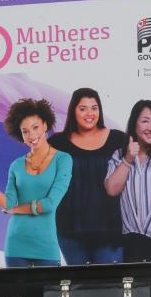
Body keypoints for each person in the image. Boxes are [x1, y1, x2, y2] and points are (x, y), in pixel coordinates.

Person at [0, 98, 72, 267]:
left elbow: (49, 204)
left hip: (46, 247)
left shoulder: (63, 160)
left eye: (35, 127)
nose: (31, 135)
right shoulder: (17, 165)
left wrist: (16, 209)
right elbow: (8, 202)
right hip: (15, 246)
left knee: (48, 294)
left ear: (45, 125)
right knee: (17, 295)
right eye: (25, 131)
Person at [49, 88, 126, 265]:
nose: (89, 113)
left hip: (110, 232)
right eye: (83, 108)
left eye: (94, 107)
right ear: (73, 111)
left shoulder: (118, 139)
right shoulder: (57, 143)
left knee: (111, 286)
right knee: (80, 288)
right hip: (70, 231)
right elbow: (40, 177)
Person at [105, 100, 151, 262]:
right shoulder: (120, 155)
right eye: (145, 121)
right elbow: (111, 189)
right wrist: (128, 158)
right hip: (133, 244)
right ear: (134, 124)